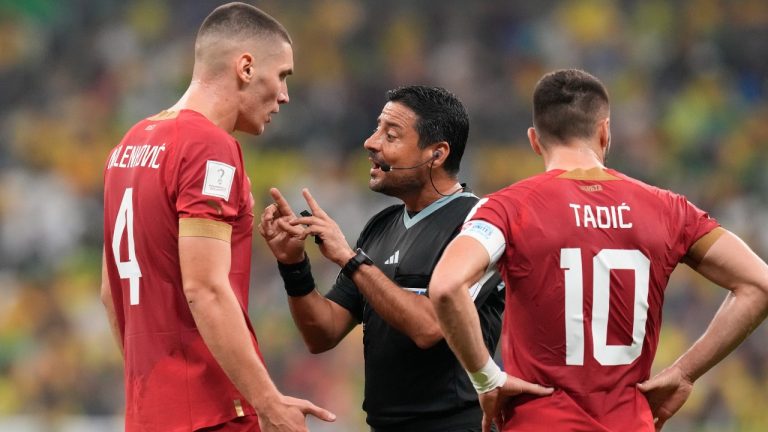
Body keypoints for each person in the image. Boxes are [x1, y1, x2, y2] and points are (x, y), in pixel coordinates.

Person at [429, 69, 768, 432]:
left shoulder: (508, 208)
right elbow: (759, 285)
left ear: (534, 140)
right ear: (605, 131)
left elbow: (447, 287)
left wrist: (486, 379)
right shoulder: (669, 210)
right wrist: (684, 373)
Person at [101, 3, 335, 431]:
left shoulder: (127, 147)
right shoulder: (208, 147)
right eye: (282, 75)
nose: (284, 95)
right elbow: (206, 288)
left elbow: (108, 289)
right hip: (211, 412)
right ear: (246, 67)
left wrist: (154, 388)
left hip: (150, 413)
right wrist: (268, 402)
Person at [258, 85, 506, 431]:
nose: (371, 143)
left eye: (391, 135)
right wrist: (293, 265)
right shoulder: (381, 226)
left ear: (437, 154)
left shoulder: (480, 225)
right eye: (377, 129)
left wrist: (349, 259)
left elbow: (430, 327)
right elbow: (322, 334)